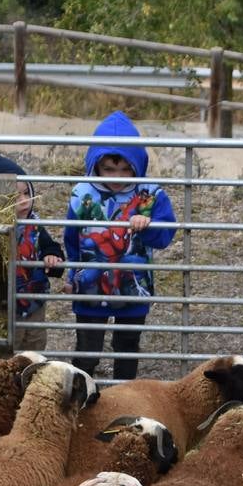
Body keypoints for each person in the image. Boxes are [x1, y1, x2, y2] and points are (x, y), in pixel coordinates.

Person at [64, 112, 176, 382]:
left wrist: (147, 226)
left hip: (132, 285)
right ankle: (78, 396)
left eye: (126, 170)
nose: (117, 177)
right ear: (96, 164)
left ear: (138, 165)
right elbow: (72, 238)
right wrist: (71, 275)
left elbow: (165, 235)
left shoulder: (150, 194)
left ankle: (125, 395)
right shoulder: (82, 193)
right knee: (87, 349)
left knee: (127, 347)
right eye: (109, 169)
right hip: (91, 286)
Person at [0, 151, 63, 353]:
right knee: (2, 354)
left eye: (26, 193)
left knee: (34, 348)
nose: (24, 200)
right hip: (3, 307)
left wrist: (52, 257)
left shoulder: (33, 225)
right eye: (14, 196)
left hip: (34, 302)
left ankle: (30, 381)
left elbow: (50, 246)